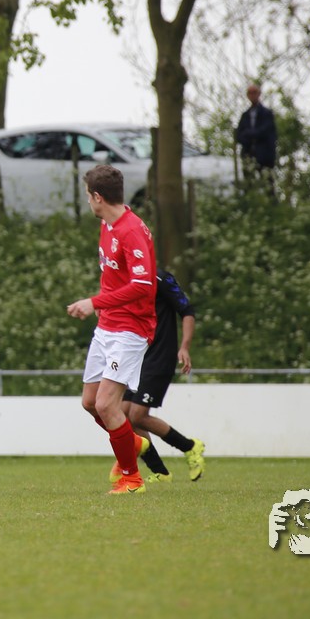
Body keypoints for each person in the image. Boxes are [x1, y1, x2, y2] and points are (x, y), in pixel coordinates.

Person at [67, 164, 157, 495]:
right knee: (91, 402)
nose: (87, 202)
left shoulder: (131, 231)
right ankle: (131, 442)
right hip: (108, 325)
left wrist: (94, 302)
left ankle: (132, 479)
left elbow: (143, 285)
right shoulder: (107, 224)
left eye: (87, 196)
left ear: (97, 197)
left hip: (130, 329)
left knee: (107, 404)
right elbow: (115, 277)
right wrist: (101, 306)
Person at [110, 268, 206, 485]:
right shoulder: (123, 282)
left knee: (138, 415)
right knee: (123, 413)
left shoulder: (160, 278)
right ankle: (160, 472)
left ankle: (190, 447)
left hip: (160, 356)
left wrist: (185, 347)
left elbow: (187, 311)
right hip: (136, 357)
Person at [234, 83, 277, 177]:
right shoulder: (245, 115)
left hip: (265, 156)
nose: (252, 95)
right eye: (250, 93)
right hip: (248, 155)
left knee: (267, 181)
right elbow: (239, 135)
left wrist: (249, 134)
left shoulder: (267, 113)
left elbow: (265, 131)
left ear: (259, 94)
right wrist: (249, 138)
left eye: (254, 92)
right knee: (248, 182)